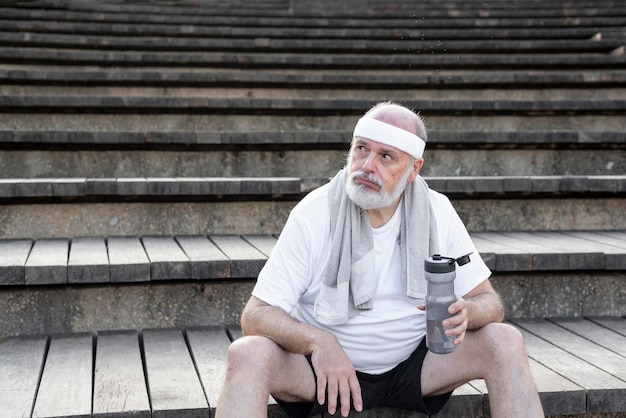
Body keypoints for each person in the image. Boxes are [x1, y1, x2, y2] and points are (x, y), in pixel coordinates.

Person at [216, 101, 544, 418]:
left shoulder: (437, 210)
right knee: (247, 354)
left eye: (385, 156)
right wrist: (318, 342)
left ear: (414, 168)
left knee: (505, 341)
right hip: (321, 372)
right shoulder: (313, 213)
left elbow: (490, 303)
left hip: (417, 367)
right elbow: (255, 316)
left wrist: (468, 313)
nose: (367, 165)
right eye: (361, 149)